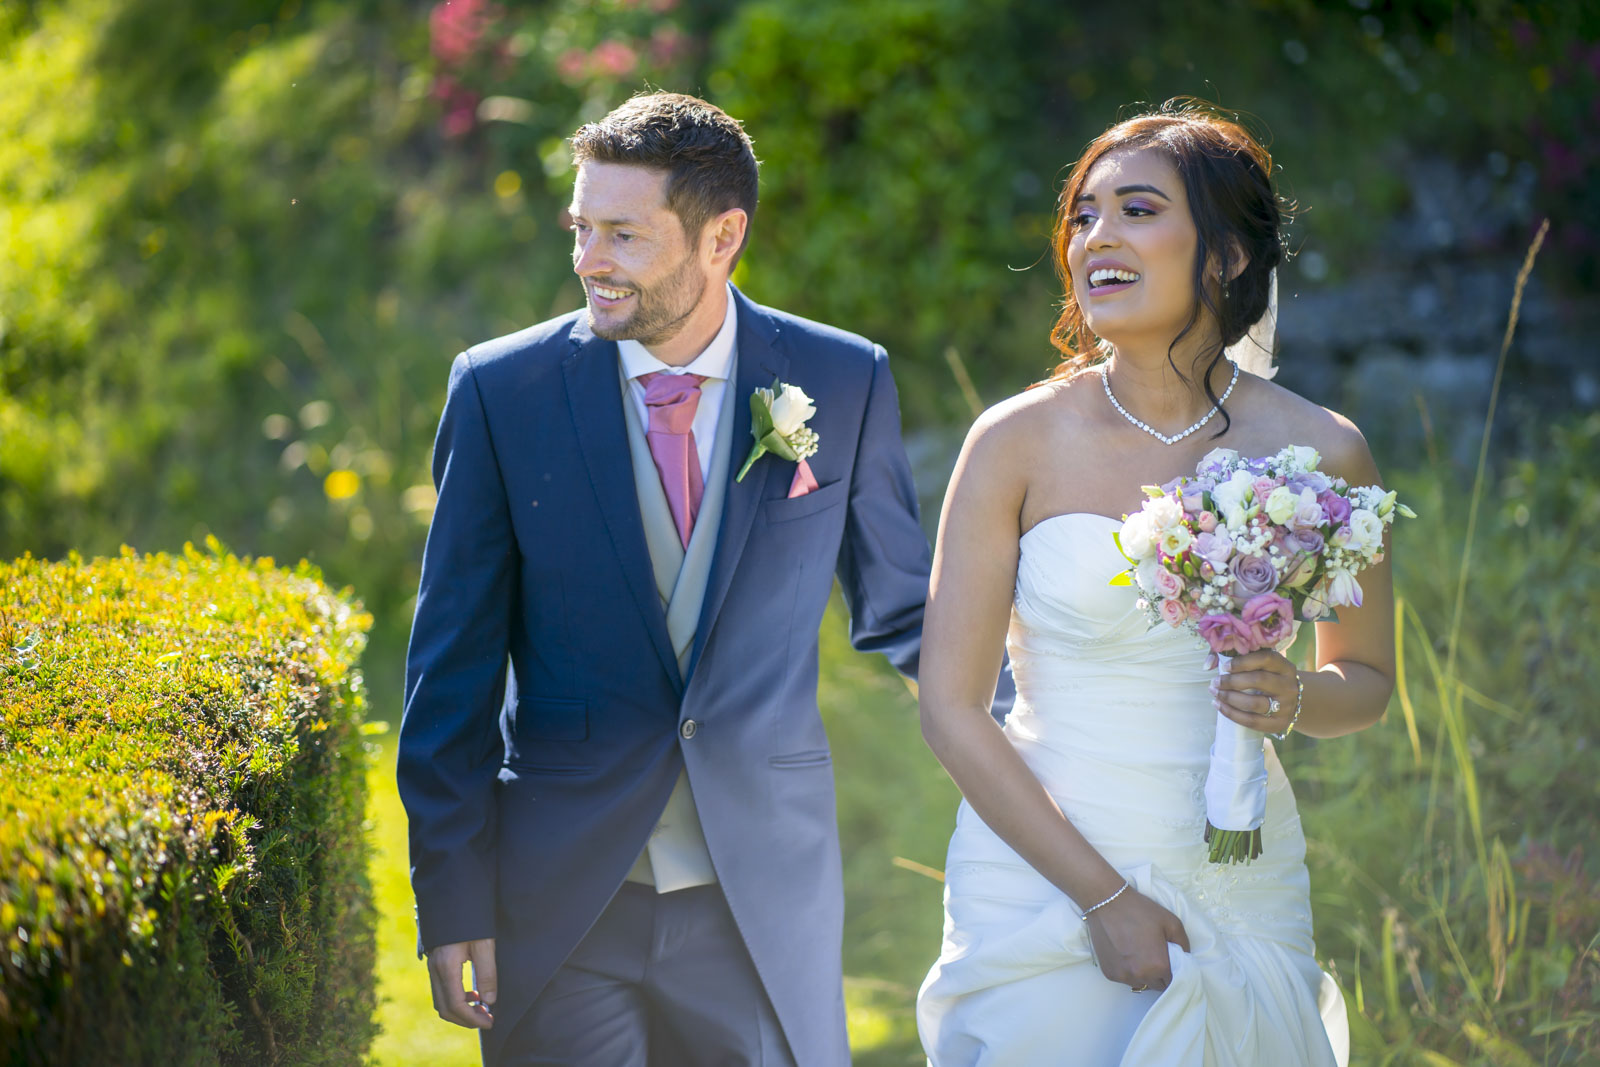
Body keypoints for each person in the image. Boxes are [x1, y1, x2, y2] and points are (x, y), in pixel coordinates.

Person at [398, 91, 994, 1067]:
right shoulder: (500, 391)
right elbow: (449, 663)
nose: (590, 258)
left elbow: (902, 611)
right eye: (581, 228)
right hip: (559, 897)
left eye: (624, 235)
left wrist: (1050, 732)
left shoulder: (843, 380)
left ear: (721, 237)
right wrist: (452, 891)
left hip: (757, 901)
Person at [915, 99, 1391, 1065]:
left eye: (1136, 210)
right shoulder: (1014, 441)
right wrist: (1102, 898)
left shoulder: (1324, 449)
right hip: (1038, 869)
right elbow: (951, 708)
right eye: (1084, 214)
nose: (1097, 236)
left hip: (1238, 864)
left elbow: (1367, 685)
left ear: (1222, 256)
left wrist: (1295, 694)